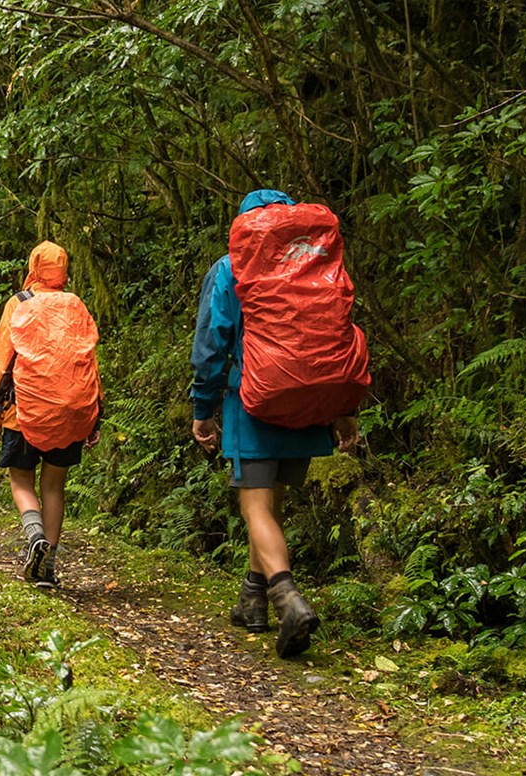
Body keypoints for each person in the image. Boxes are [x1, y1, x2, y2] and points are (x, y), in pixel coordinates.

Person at [191, 189, 362, 659]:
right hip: (310, 403)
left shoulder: (231, 266)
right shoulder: (315, 265)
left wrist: (202, 409)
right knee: (272, 502)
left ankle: (288, 600)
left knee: (256, 508)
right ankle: (253, 598)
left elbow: (211, 344)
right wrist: (343, 410)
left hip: (252, 398)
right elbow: (335, 338)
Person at [0, 241, 101, 589]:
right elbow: (88, 361)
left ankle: (34, 535)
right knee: (54, 485)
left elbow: (3, 359)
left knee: (21, 479)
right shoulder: (75, 305)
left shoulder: (19, 303)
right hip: (69, 411)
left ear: (34, 267)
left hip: (23, 410)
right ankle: (47, 566)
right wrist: (95, 412)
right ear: (64, 270)